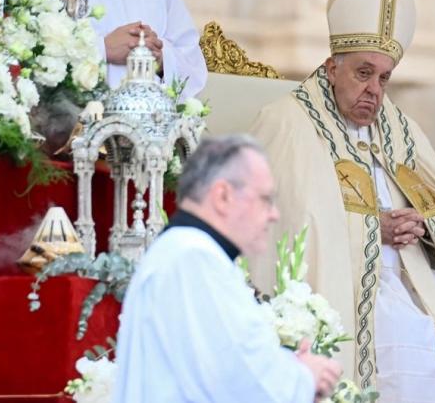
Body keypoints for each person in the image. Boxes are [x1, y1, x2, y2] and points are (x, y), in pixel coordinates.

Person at [249, 0, 435, 403]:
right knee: (410, 350)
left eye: (384, 78)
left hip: (415, 280)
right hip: (347, 286)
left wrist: (425, 224)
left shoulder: (399, 129)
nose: (375, 91)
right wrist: (371, 228)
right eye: (363, 73)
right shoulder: (288, 123)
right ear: (331, 67)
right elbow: (280, 222)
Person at [113, 135, 342, 402]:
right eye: (265, 199)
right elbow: (236, 380)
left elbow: (220, 359)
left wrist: (286, 365)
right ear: (223, 196)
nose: (274, 214)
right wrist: (305, 377)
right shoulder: (192, 259)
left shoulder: (189, 253)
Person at [77, 0, 207, 97]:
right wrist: (103, 49)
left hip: (151, 114)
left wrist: (159, 55)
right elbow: (49, 56)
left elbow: (191, 63)